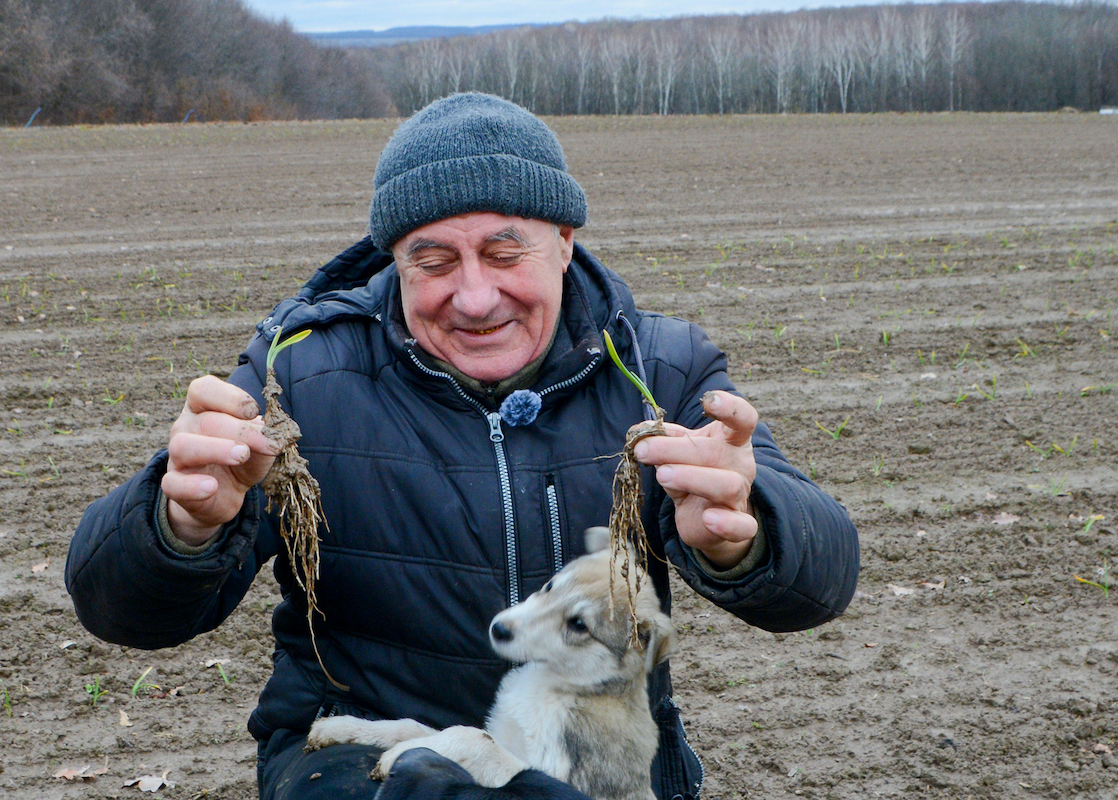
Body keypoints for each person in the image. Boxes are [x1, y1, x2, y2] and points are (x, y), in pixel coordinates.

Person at [66, 92, 859, 800]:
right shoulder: (302, 376)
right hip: (357, 766)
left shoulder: (659, 372)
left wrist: (746, 536)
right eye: (434, 261)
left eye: (506, 254)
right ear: (395, 262)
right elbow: (119, 607)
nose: (476, 297)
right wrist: (181, 528)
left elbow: (820, 584)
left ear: (564, 241)